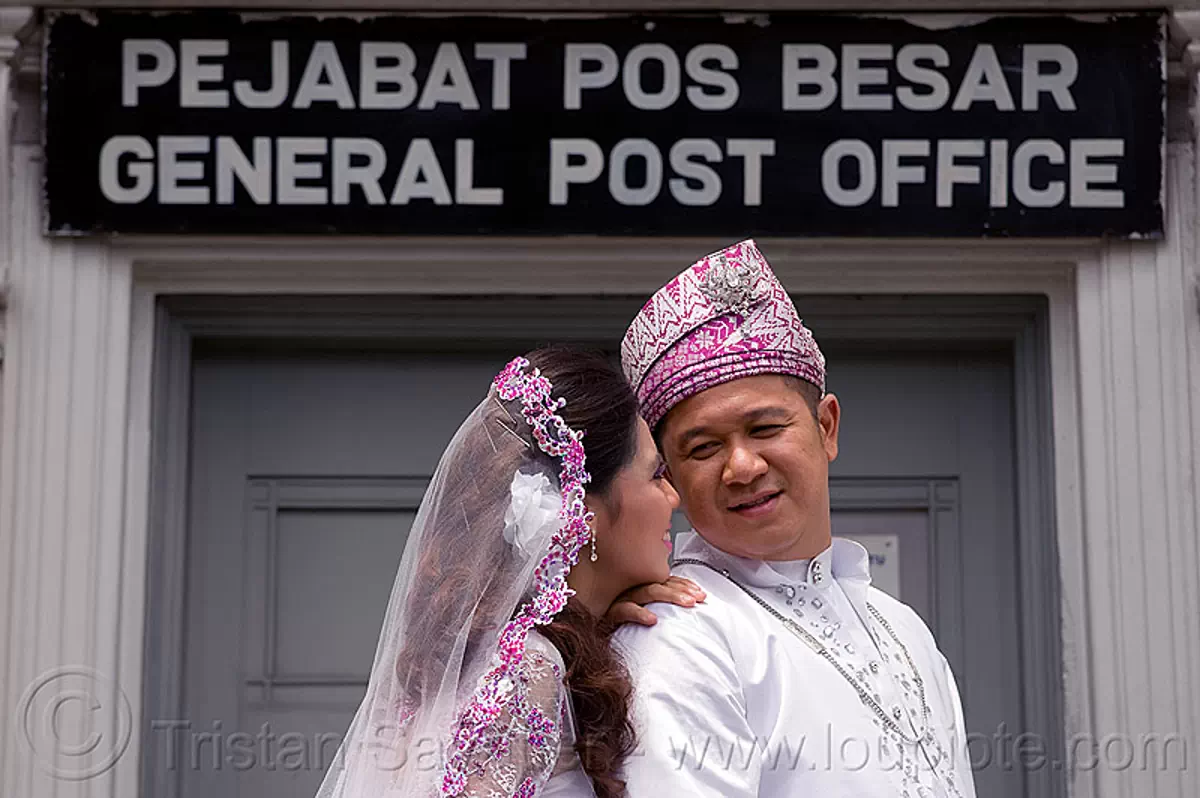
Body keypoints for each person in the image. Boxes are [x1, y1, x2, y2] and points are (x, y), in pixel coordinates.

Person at [615, 240, 978, 797]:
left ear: (826, 427)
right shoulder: (680, 635)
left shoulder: (903, 630)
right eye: (704, 448)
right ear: (671, 476)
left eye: (765, 429)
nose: (742, 466)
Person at [314, 347, 702, 798]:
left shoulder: (510, 655)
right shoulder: (525, 671)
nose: (674, 498)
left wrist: (601, 625)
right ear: (583, 509)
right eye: (655, 476)